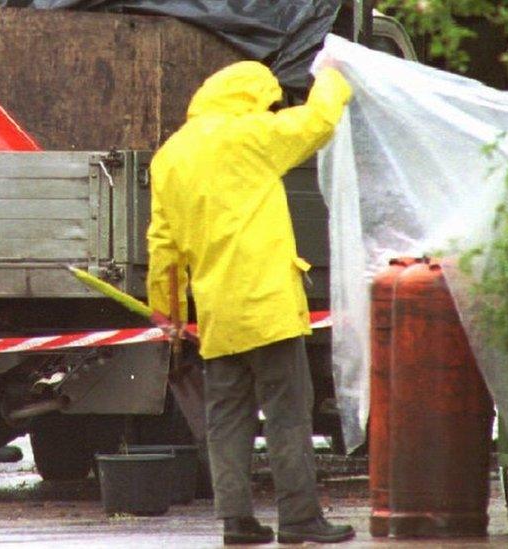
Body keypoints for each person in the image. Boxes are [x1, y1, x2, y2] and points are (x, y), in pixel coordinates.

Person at [146, 60, 354, 545]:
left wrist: (169, 311)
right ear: (254, 97)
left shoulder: (170, 156)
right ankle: (300, 519)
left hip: (218, 313)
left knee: (228, 420)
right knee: (287, 413)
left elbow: (164, 245)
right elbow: (320, 120)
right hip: (269, 307)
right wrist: (336, 72)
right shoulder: (253, 135)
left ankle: (236, 521)